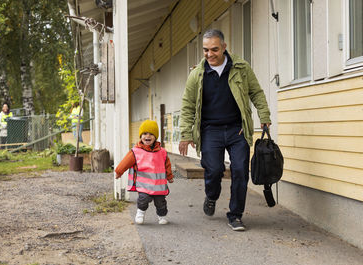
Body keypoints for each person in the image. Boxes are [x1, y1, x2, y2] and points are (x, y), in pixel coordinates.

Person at [179, 29, 271, 231]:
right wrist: (186, 134)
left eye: (214, 49)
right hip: (210, 130)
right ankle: (211, 196)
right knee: (214, 169)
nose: (209, 54)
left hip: (237, 130)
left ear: (224, 47)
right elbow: (187, 105)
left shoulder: (241, 68)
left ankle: (235, 215)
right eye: (205, 50)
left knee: (240, 171)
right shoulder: (197, 74)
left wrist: (264, 116)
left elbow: (256, 92)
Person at [115, 120, 174, 225]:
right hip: (144, 184)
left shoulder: (162, 152)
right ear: (140, 136)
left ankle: (162, 216)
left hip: (159, 186)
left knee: (161, 202)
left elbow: (167, 165)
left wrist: (169, 176)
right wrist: (119, 171)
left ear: (156, 137)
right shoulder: (136, 151)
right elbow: (126, 162)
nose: (148, 136)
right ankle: (140, 213)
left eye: (151, 134)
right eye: (145, 134)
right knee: (143, 199)